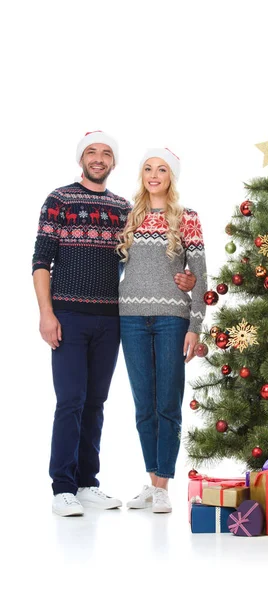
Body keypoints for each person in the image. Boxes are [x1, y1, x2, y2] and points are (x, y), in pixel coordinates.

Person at [32, 133, 196, 517]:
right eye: (92, 152)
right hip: (68, 315)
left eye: (107, 153)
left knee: (96, 402)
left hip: (112, 317)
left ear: (115, 163)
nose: (99, 158)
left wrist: (183, 277)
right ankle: (63, 488)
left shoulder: (125, 210)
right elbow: (41, 261)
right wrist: (46, 312)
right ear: (81, 159)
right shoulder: (59, 200)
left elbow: (143, 262)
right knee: (70, 400)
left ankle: (88, 482)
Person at [117, 148, 207, 513]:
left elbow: (199, 276)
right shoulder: (127, 217)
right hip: (130, 318)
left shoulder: (187, 218)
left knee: (167, 403)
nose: (154, 175)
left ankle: (163, 486)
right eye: (148, 169)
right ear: (141, 175)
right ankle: (151, 480)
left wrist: (196, 326)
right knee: (143, 405)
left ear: (172, 176)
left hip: (173, 319)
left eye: (162, 169)